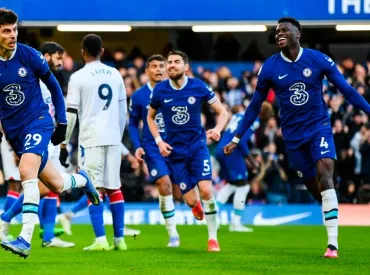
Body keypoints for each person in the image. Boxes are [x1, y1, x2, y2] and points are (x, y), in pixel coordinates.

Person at [223, 17, 370, 259]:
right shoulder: (269, 68)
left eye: (284, 30)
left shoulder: (318, 59)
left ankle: (332, 245)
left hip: (318, 127)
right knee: (317, 190)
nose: (279, 34)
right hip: (292, 137)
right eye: (276, 31)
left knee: (326, 173)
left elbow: (348, 91)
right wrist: (237, 138)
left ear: (297, 33)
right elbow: (253, 108)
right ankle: (331, 205)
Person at [0, 8, 99, 258]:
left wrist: (61, 123)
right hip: (14, 132)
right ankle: (84, 180)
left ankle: (24, 238)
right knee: (57, 184)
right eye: (7, 31)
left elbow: (54, 87)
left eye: (15, 29)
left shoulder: (29, 55)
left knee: (26, 172)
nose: (13, 35)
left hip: (38, 122)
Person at [147, 50, 228, 252]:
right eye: (169, 63)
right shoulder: (160, 90)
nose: (171, 65)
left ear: (186, 67)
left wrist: (217, 130)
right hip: (175, 152)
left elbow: (222, 112)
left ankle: (212, 239)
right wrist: (159, 141)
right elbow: (150, 118)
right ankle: (195, 205)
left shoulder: (198, 86)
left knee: (207, 190)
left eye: (176, 62)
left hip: (198, 147)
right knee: (191, 200)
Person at [59, 34, 128, 251]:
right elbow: (123, 111)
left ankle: (100, 240)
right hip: (113, 138)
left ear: (82, 52)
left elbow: (70, 114)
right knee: (114, 187)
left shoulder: (78, 77)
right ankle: (120, 240)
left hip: (91, 138)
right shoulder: (116, 74)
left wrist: (63, 143)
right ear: (103, 51)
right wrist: (116, 134)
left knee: (93, 188)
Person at [128, 54, 204, 247]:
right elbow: (132, 123)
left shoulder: (177, 89)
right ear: (147, 71)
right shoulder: (138, 96)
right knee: (164, 184)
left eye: (162, 65)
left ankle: (197, 204)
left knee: (184, 196)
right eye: (154, 66)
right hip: (153, 145)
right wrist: (138, 146)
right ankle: (173, 234)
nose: (159, 69)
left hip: (177, 145)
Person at [215, 103, 272, 232]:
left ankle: (213, 215)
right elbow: (240, 140)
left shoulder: (238, 114)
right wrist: (251, 161)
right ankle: (235, 223)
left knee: (232, 184)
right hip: (231, 152)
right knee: (244, 186)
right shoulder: (254, 120)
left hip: (221, 150)